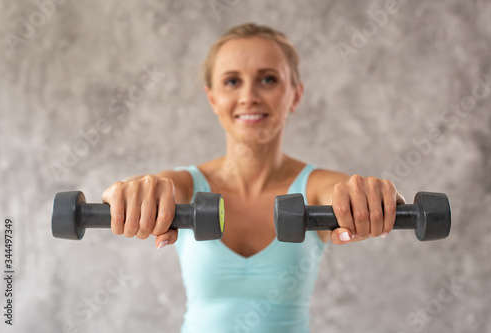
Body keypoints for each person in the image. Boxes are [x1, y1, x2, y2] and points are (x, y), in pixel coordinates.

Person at [102, 23, 405, 333]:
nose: (249, 96)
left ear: (295, 95)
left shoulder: (314, 188)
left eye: (268, 79)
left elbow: (341, 193)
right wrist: (129, 193)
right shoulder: (186, 187)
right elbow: (155, 188)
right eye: (232, 81)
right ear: (213, 99)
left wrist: (367, 196)